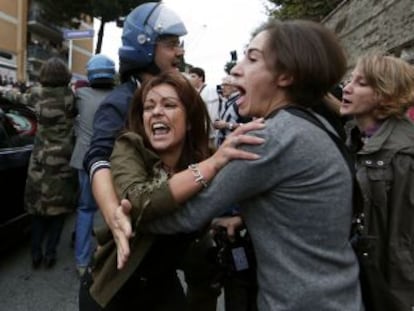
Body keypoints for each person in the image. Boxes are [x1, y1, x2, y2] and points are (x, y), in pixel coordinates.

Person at [115, 19, 363, 311]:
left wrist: (122, 216)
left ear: (285, 75)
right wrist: (248, 217)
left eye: (252, 58)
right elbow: (304, 206)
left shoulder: (270, 137)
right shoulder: (314, 122)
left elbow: (188, 215)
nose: (235, 69)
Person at [79, 3, 223, 310]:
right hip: (126, 273)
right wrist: (114, 214)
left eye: (170, 105)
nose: (179, 53)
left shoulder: (184, 100)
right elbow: (98, 159)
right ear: (144, 46)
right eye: (171, 45)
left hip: (164, 268)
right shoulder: (119, 103)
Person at [340, 53, 414, 311]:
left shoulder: (404, 154)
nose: (347, 88)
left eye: (361, 83)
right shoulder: (357, 137)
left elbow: (403, 240)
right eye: (350, 80)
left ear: (385, 94)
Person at [24, 57, 77, 269]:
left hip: (40, 161)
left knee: (37, 209)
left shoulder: (37, 94)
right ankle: (51, 254)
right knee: (59, 210)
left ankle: (35, 253)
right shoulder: (70, 97)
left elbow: (15, 95)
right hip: (63, 160)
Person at [70, 54, 116, 277]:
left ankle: (81, 262)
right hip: (111, 161)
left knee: (85, 209)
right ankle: (109, 257)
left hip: (84, 160)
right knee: (113, 211)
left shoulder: (80, 95)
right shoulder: (120, 96)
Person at [188, 67, 220, 146]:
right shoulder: (195, 91)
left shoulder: (209, 90)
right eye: (190, 76)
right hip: (198, 131)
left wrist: (208, 131)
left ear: (201, 78)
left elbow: (212, 113)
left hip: (208, 134)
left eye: (193, 76)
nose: (190, 79)